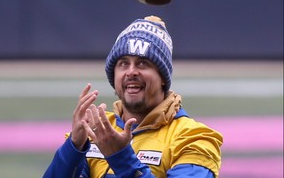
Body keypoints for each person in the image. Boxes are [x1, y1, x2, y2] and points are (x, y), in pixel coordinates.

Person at [43, 15, 223, 178]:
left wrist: (121, 157)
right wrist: (74, 147)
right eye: (123, 63)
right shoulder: (96, 130)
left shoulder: (194, 138)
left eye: (143, 63)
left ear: (162, 77)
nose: (131, 72)